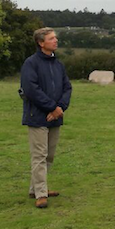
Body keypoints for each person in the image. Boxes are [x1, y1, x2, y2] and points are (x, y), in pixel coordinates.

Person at [20, 27, 72, 209]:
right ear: (41, 43)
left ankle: (36, 188)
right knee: (39, 155)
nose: (55, 41)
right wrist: (52, 107)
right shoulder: (31, 63)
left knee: (49, 155)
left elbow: (67, 88)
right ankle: (41, 194)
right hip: (37, 116)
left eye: (55, 38)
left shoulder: (58, 64)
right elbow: (31, 89)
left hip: (55, 117)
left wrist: (60, 108)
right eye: (51, 39)